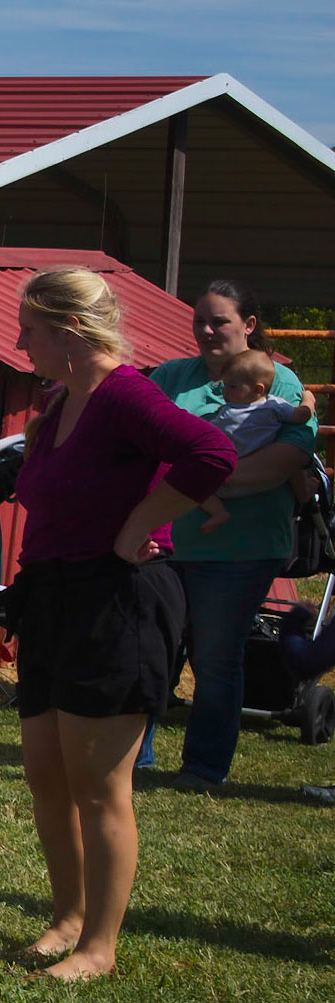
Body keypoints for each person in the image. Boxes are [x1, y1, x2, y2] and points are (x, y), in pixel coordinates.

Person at [11, 269, 236, 982]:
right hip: (54, 595)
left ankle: (99, 948)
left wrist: (142, 521)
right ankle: (68, 918)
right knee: (47, 773)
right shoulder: (61, 396)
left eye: (31, 330)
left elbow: (212, 453)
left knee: (99, 784)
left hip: (118, 599)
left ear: (71, 331)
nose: (21, 343)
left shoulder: (125, 393)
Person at [139, 283, 319, 786]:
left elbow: (287, 458)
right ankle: (134, 757)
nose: (207, 330)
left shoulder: (276, 379)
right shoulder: (174, 376)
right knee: (153, 648)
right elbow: (139, 439)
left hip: (241, 547)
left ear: (249, 325)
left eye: (219, 321)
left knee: (215, 656)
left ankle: (204, 767)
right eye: (200, 320)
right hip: (164, 542)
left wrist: (197, 480)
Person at [196, 349, 315, 532]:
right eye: (225, 385)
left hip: (229, 482)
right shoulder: (274, 405)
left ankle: (218, 512)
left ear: (258, 389)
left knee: (196, 485)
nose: (225, 392)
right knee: (290, 462)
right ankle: (304, 490)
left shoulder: (226, 414)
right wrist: (308, 399)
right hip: (265, 477)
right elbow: (301, 415)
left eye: (232, 387)